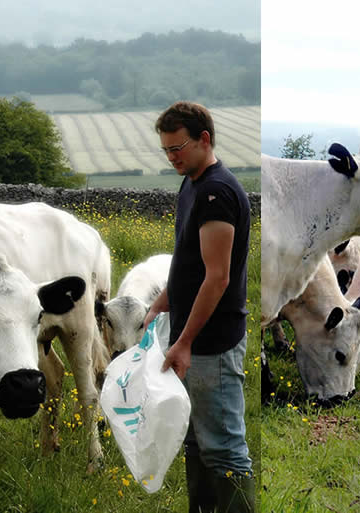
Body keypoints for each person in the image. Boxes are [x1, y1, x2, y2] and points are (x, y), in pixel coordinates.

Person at [144, 101, 255, 512]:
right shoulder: (191, 183)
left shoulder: (216, 193)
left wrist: (185, 341)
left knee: (224, 447)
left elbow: (217, 276)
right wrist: (162, 301)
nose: (172, 157)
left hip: (211, 344)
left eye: (179, 148)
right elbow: (186, 259)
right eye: (167, 150)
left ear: (204, 139)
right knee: (195, 439)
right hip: (191, 338)